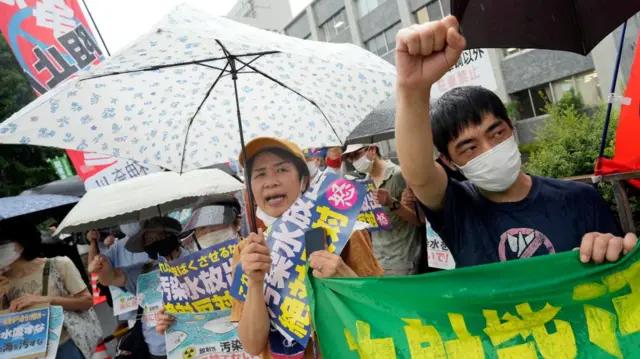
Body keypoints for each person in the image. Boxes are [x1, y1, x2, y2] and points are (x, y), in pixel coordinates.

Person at [394, 16, 638, 268]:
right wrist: (412, 89)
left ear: (512, 128)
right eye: (469, 148)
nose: (489, 150)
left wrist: (609, 249)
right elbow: (419, 175)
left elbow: (620, 274)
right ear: (448, 161)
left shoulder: (581, 198)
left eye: (496, 133)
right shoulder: (457, 209)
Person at [153, 137, 383, 357]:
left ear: (303, 180)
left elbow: (380, 313)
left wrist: (344, 277)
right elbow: (253, 345)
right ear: (251, 189)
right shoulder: (246, 251)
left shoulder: (345, 231)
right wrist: (254, 282)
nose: (270, 181)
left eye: (282, 170)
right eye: (259, 174)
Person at [89, 216, 187, 359]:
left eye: (161, 236)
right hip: (157, 347)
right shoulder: (143, 271)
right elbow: (111, 277)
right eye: (149, 240)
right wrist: (100, 265)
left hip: (194, 342)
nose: (155, 242)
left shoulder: (197, 263)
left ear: (173, 236)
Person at [1, 224, 100, 359]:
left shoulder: (59, 264)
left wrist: (46, 300)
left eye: (2, 244)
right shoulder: (2, 282)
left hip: (65, 345)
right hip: (27, 352)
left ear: (21, 243)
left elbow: (87, 301)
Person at [342, 144, 423, 275]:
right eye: (350, 159)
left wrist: (392, 203)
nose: (355, 162)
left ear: (372, 150)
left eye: (356, 155)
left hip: (402, 258)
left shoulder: (399, 175)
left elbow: (417, 220)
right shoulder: (364, 183)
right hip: (378, 258)